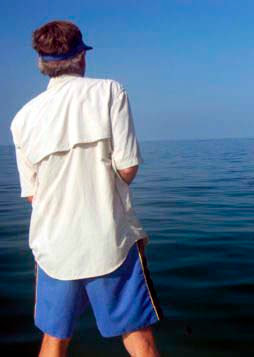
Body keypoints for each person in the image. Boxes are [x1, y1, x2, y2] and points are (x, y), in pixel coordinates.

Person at [10, 20, 163, 357]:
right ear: (81, 57)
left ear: (41, 64)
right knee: (138, 336)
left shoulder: (22, 119)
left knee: (54, 338)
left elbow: (33, 194)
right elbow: (128, 167)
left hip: (53, 248)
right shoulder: (110, 92)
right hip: (109, 241)